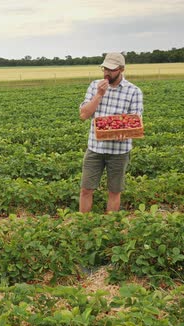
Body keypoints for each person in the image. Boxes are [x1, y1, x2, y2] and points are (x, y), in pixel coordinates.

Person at [78, 52, 144, 213]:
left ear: (121, 69)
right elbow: (84, 115)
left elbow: (135, 121)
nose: (106, 73)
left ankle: (110, 228)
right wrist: (99, 95)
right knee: (86, 189)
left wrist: (126, 132)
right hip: (95, 148)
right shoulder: (95, 86)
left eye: (111, 69)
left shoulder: (134, 91)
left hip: (119, 151)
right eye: (105, 68)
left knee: (114, 191)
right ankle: (82, 226)